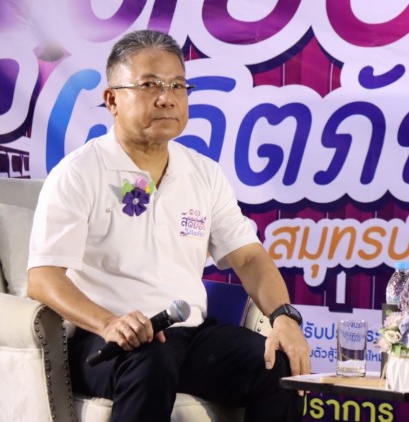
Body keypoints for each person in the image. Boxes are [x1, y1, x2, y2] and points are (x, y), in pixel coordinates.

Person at [27, 29, 310, 422]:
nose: (166, 97)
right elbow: (43, 278)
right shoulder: (79, 172)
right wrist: (109, 323)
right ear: (112, 100)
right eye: (149, 85)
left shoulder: (203, 173)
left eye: (177, 85)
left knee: (274, 364)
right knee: (151, 361)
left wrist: (284, 317)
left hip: (189, 336)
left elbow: (248, 258)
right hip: (106, 341)